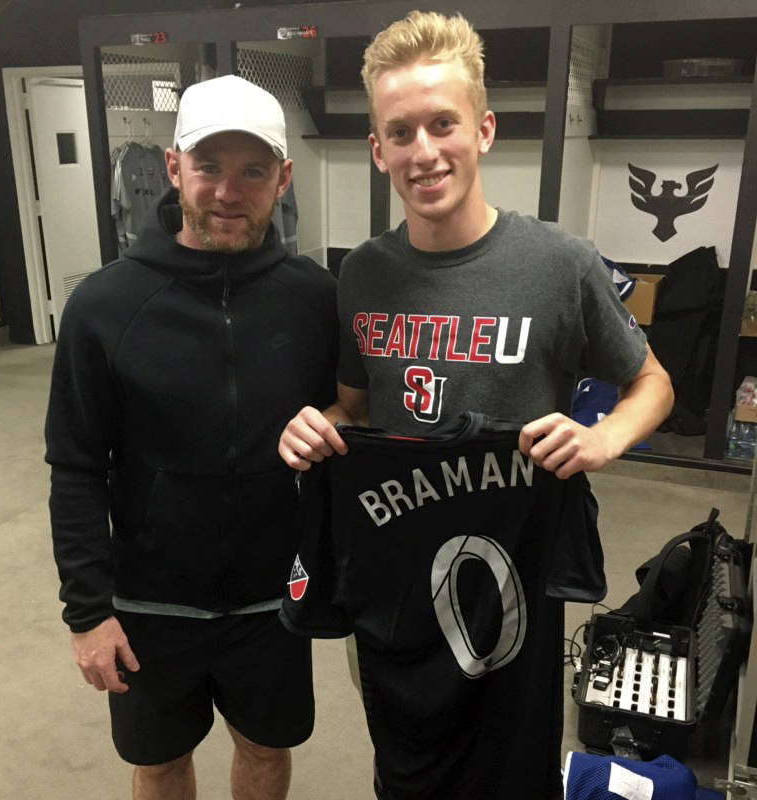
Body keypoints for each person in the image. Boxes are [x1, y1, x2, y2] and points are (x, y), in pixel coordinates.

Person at [278, 10, 674, 800]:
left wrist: (603, 440)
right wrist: (318, 427)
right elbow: (355, 408)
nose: (423, 152)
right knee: (407, 763)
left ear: (484, 129)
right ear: (378, 150)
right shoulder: (363, 274)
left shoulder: (559, 264)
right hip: (395, 579)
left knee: (512, 771)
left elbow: (653, 382)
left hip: (513, 584)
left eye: (442, 124)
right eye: (401, 132)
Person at [45, 74, 337, 800]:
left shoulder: (315, 300)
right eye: (208, 167)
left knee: (266, 751)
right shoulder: (105, 306)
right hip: (151, 603)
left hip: (274, 602)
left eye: (252, 171)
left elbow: (349, 424)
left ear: (283, 178)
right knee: (161, 763)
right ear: (174, 168)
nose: (228, 193)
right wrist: (88, 614)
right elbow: (76, 467)